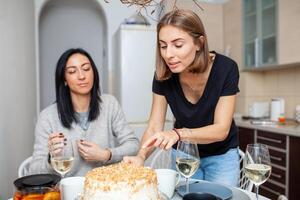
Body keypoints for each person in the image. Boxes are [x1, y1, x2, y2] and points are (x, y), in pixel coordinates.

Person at [124, 9, 240, 186]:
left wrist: (178, 134)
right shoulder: (163, 75)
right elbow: (155, 126)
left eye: (178, 45)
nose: (168, 54)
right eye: (163, 46)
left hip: (221, 156)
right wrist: (141, 156)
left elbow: (221, 130)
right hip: (184, 155)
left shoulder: (226, 69)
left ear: (199, 43)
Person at [29, 48, 139, 176]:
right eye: (72, 71)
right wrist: (51, 158)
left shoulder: (109, 104)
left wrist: (106, 155)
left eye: (86, 69)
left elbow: (133, 145)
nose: (82, 76)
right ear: (64, 79)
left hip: (104, 188)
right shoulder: (47, 117)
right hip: (66, 192)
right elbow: (34, 170)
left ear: (94, 73)